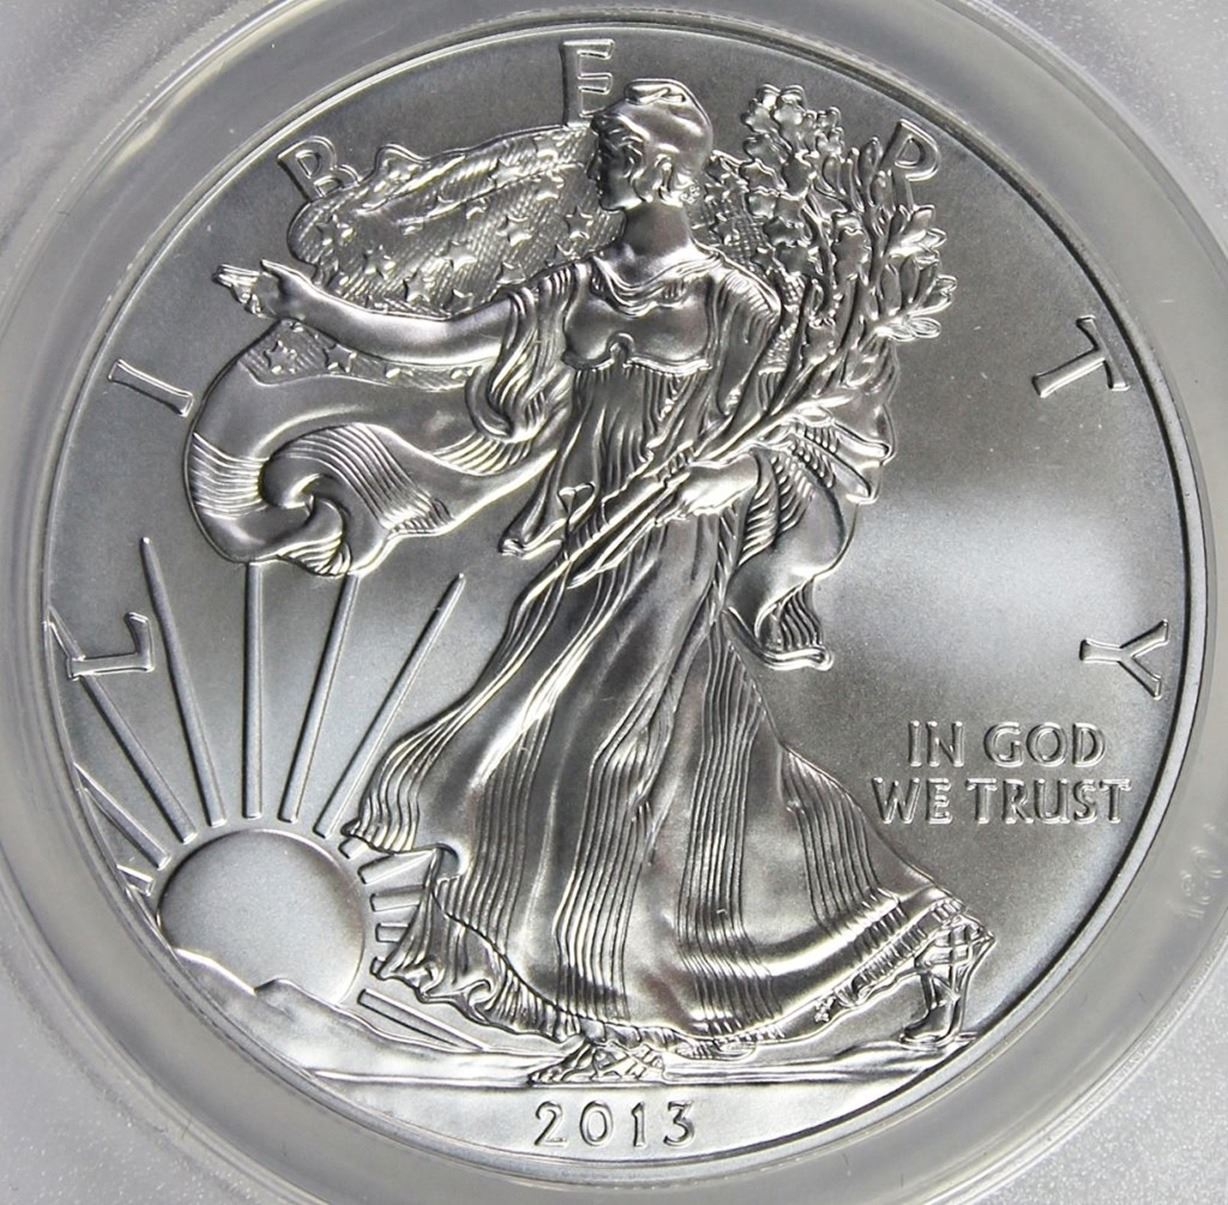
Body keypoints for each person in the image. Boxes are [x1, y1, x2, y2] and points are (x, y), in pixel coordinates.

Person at [246, 79, 990, 1079]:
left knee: (614, 763)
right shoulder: (578, 286)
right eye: (609, 151)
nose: (605, 167)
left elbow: (811, 425)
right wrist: (318, 308)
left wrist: (740, 472)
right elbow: (450, 347)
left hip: (676, 548)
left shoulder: (733, 302)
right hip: (591, 546)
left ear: (668, 166)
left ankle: (631, 1018)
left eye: (622, 152)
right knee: (658, 763)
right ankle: (914, 931)